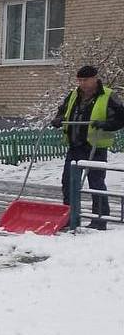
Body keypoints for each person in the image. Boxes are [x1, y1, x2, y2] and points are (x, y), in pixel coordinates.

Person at [51, 65, 124, 229]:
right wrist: (59, 119)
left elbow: (121, 118)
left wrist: (106, 124)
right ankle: (70, 218)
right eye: (80, 80)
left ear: (95, 79)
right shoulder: (73, 95)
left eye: (86, 80)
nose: (82, 83)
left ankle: (99, 220)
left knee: (96, 184)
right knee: (69, 183)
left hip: (95, 147)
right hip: (75, 146)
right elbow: (63, 111)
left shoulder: (108, 95)